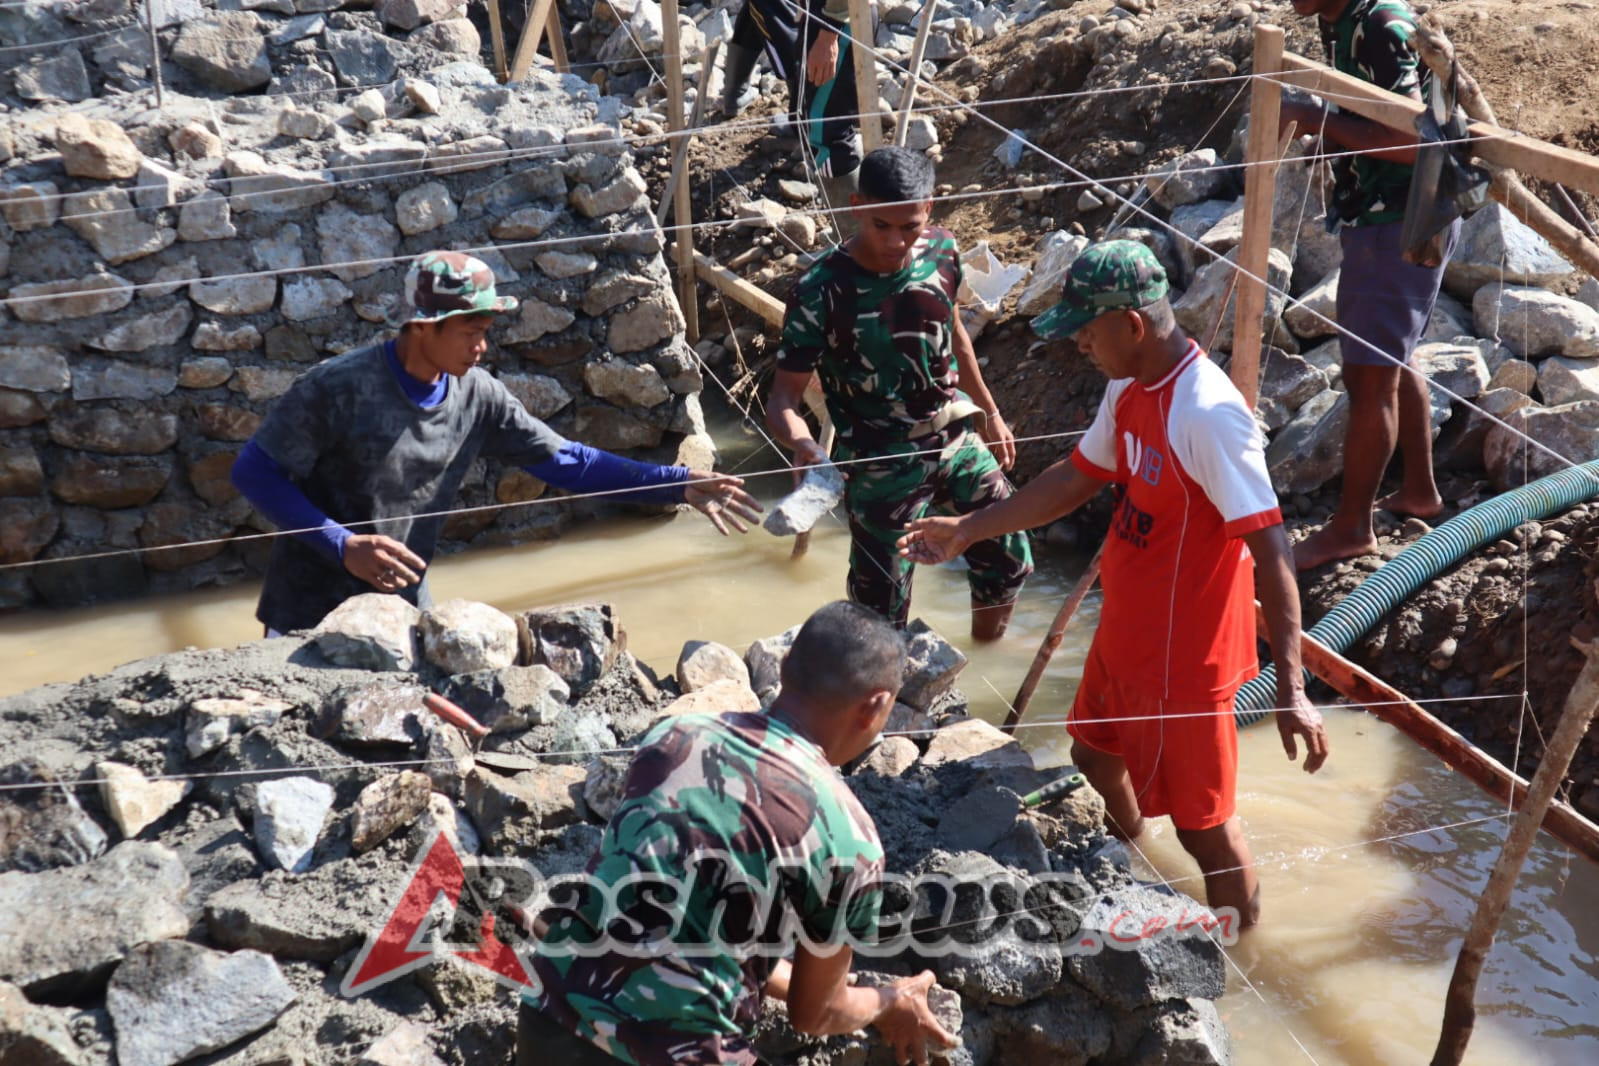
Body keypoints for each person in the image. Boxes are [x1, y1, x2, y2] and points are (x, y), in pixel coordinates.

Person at [897, 241, 1329, 927]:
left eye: (1085, 329)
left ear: (1131, 323)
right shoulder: (1127, 386)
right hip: (1128, 626)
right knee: (1092, 752)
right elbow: (1074, 479)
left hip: (1180, 659)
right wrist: (969, 530)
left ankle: (1239, 952)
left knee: (1205, 827)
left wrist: (1292, 689)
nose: (1077, 344)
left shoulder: (1207, 415)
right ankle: (1131, 859)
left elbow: (1270, 549)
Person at [521, 600, 958, 1066]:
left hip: (550, 1018)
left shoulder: (672, 737)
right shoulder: (849, 836)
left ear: (786, 667)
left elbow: (693, 924)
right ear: (875, 708)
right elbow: (817, 1014)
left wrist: (826, 984)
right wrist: (890, 1001)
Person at [231, 250, 760, 635]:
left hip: (402, 608)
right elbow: (254, 472)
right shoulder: (337, 387)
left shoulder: (477, 395)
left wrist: (677, 483)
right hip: (310, 613)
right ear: (420, 327)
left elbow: (568, 462)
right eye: (468, 333)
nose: (481, 347)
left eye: (485, 331)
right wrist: (341, 545)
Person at [766, 146, 1033, 640]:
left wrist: (991, 413)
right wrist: (804, 446)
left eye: (909, 226)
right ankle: (888, 706)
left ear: (928, 209)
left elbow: (954, 334)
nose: (895, 241)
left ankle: (987, 651)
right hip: (877, 460)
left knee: (1008, 556)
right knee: (880, 609)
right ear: (856, 206)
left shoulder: (942, 252)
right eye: (880, 225)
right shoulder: (820, 289)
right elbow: (783, 398)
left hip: (953, 436)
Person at [1281, 0, 1460, 571]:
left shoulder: (1380, 26)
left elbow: (1416, 145)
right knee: (1391, 360)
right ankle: (1419, 491)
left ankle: (1352, 528)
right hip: (1381, 213)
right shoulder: (1337, 17)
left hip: (1402, 220)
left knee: (1369, 378)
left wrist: (1320, 122)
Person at [722, 0, 865, 213]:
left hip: (838, 16)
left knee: (826, 132)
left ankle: (853, 233)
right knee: (822, 124)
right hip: (826, 14)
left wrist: (829, 34)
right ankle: (855, 236)